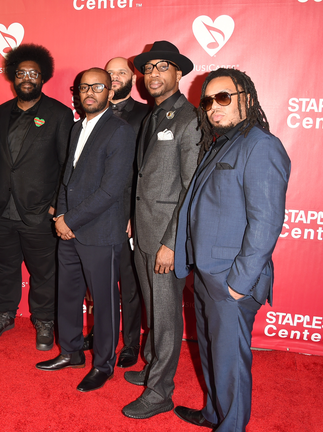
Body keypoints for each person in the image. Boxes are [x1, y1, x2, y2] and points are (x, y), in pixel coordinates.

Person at [172, 68, 290, 431]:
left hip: (231, 280)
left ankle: (231, 425)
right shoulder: (223, 142)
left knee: (230, 363)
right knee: (210, 352)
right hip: (208, 274)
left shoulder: (261, 145)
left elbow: (266, 222)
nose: (213, 107)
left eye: (223, 98)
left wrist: (237, 283)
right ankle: (214, 413)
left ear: (247, 99)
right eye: (207, 101)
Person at [35, 68, 134, 393]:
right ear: (76, 93)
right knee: (68, 295)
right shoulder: (77, 128)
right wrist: (61, 216)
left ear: (110, 90)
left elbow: (111, 190)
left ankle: (103, 365)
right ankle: (72, 352)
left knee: (104, 303)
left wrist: (70, 220)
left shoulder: (119, 130)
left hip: (101, 234)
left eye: (97, 86)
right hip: (69, 230)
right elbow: (68, 179)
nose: (89, 92)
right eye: (83, 87)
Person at [121, 41, 200, 419]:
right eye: (148, 68)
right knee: (155, 307)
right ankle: (153, 365)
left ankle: (160, 392)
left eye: (162, 67)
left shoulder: (189, 118)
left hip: (166, 236)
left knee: (166, 315)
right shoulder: (154, 116)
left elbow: (190, 187)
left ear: (178, 73)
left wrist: (173, 243)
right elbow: (147, 176)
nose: (153, 74)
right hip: (143, 230)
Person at [0, 44, 73, 350]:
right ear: (12, 76)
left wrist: (56, 206)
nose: (27, 78)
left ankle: (44, 319)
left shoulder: (59, 114)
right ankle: (4, 313)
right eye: (21, 72)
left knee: (44, 272)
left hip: (38, 211)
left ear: (43, 77)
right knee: (1, 267)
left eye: (33, 73)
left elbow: (66, 166)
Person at [101, 56, 149, 367]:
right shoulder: (93, 112)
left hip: (128, 215)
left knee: (129, 284)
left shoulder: (146, 115)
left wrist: (135, 212)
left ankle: (131, 342)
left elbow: (145, 169)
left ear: (132, 78)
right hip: (97, 214)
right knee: (100, 282)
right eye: (110, 73)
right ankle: (103, 334)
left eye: (121, 72)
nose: (115, 77)